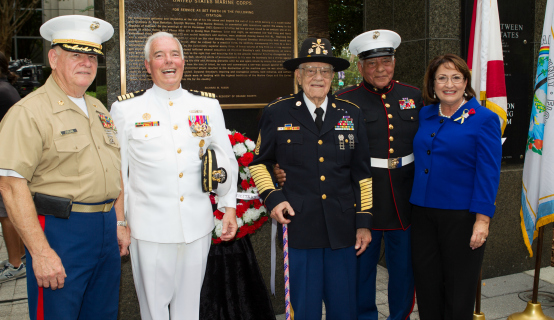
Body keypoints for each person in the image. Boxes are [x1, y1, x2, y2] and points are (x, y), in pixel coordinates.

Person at [0, 15, 129, 320]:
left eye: (91, 57)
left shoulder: (98, 108)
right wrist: (41, 252)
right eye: (76, 55)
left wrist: (119, 222)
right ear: (54, 58)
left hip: (105, 230)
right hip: (61, 231)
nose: (86, 63)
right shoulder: (29, 112)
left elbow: (113, 169)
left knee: (102, 314)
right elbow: (9, 184)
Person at [110, 31, 238, 320]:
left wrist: (228, 207)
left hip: (196, 226)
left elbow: (225, 159)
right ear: (147, 65)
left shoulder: (207, 106)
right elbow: (119, 172)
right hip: (149, 229)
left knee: (189, 308)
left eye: (174, 55)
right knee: (154, 310)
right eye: (159, 55)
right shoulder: (126, 109)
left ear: (183, 61)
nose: (168, 61)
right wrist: (121, 222)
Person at [249, 37, 374, 320]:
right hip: (299, 226)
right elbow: (259, 163)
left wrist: (364, 222)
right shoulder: (277, 112)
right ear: (298, 76)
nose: (318, 77)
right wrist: (275, 199)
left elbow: (362, 174)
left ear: (333, 76)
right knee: (304, 308)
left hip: (343, 228)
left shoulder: (351, 113)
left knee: (345, 308)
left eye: (325, 71)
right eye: (310, 70)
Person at [335, 29, 422, 320]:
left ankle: (400, 316)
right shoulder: (344, 101)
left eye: (385, 61)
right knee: (362, 271)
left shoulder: (413, 96)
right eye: (372, 64)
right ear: (360, 66)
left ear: (394, 62)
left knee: (403, 269)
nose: (380, 68)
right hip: (364, 199)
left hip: (405, 197)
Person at [410, 54, 501, 319]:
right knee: (427, 286)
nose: (449, 84)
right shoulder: (426, 113)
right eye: (442, 78)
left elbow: (488, 173)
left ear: (465, 82)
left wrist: (482, 221)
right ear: (432, 83)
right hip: (423, 214)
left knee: (458, 290)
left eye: (456, 78)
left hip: (462, 217)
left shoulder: (484, 119)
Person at [0, 51, 27, 283]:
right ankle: (18, 255)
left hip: (6, 161)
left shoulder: (2, 90)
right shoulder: (6, 88)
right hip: (7, 158)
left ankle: (16, 263)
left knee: (5, 213)